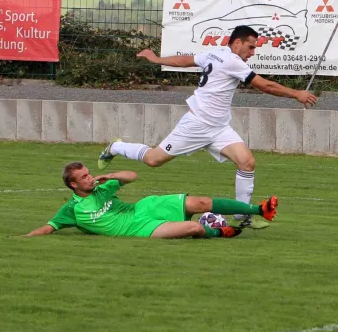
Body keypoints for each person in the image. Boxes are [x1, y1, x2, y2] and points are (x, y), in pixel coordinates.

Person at [97, 25, 316, 230]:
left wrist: (157, 59)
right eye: (251, 47)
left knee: (247, 162)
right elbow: (265, 86)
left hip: (219, 128)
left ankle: (242, 216)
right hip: (196, 125)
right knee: (154, 160)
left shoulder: (214, 53)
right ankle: (116, 147)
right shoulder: (232, 61)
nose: (252, 53)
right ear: (237, 43)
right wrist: (297, 94)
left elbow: (184, 61)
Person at [26, 162, 278, 239]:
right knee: (194, 227)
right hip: (139, 228)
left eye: (89, 173)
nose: (90, 178)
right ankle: (218, 232)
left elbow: (132, 176)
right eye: (84, 177)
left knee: (200, 202)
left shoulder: (102, 188)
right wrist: (23, 239)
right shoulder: (72, 209)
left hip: (144, 207)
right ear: (73, 185)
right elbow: (49, 227)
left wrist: (110, 175)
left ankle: (259, 209)